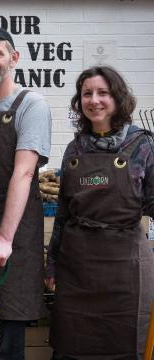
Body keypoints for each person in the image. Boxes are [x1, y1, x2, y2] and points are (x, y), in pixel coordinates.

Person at [46, 66, 154, 359]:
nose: (94, 100)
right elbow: (63, 214)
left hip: (125, 268)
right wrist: (52, 262)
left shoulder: (142, 145)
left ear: (117, 97)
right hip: (76, 266)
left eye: (103, 92)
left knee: (125, 346)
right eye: (87, 94)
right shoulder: (74, 150)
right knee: (71, 348)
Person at [0, 27, 52, 360]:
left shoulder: (30, 104)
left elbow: (25, 172)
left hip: (10, 246)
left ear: (13, 58)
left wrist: (4, 238)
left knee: (3, 348)